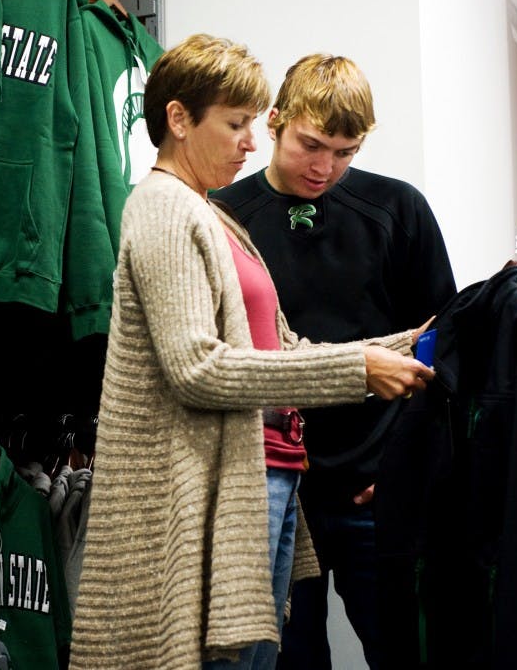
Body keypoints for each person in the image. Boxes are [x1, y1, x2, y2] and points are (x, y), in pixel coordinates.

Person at [69, 35, 435, 670]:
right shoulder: (163, 208)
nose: (246, 142)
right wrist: (359, 368)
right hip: (238, 480)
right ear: (179, 120)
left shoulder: (214, 217)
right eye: (236, 124)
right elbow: (197, 368)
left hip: (271, 476)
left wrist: (402, 342)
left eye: (344, 153)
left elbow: (285, 347)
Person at [213, 54, 457, 669]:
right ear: (275, 122)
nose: (325, 168)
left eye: (345, 152)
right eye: (311, 145)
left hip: (374, 489)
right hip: (272, 487)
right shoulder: (220, 215)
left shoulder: (397, 209)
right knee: (287, 660)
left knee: (409, 652)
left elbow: (443, 344)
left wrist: (409, 465)